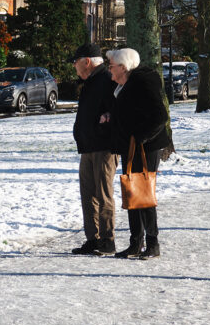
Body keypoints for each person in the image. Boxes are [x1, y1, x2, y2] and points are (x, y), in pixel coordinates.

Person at [101, 48, 170, 260]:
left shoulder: (142, 82)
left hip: (144, 147)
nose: (109, 69)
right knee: (132, 192)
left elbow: (160, 115)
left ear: (123, 67)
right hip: (130, 146)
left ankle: (152, 243)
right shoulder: (123, 85)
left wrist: (141, 137)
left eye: (111, 66)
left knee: (143, 193)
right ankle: (135, 242)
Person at [69, 43, 117, 256]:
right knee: (88, 195)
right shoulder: (91, 81)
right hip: (88, 147)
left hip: (104, 147)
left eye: (76, 62)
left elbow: (118, 109)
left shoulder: (107, 80)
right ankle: (93, 239)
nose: (74, 67)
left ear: (86, 61)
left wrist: (106, 119)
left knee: (103, 194)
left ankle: (107, 240)